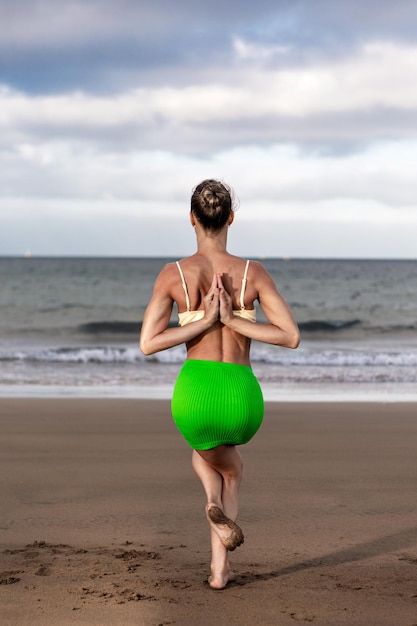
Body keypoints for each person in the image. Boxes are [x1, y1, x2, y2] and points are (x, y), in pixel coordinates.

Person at [140, 179, 300, 589]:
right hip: (242, 397)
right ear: (230, 218)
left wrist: (208, 321)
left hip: (196, 393)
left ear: (192, 218)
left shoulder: (173, 274)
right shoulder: (253, 273)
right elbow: (290, 336)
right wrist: (234, 320)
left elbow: (148, 344)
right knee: (230, 465)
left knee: (206, 454)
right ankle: (219, 570)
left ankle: (212, 507)